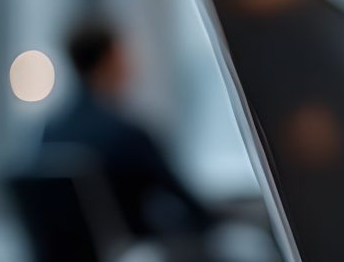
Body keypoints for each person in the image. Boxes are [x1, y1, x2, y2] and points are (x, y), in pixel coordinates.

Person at [41, 18, 218, 238]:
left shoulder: (50, 132)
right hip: (135, 261)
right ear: (111, 59)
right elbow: (189, 205)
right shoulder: (128, 136)